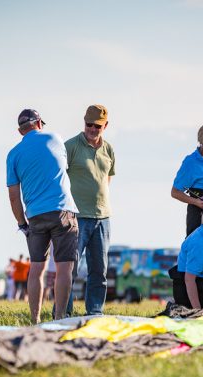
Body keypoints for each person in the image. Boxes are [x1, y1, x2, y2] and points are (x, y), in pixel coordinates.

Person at [6, 108, 79, 323]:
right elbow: (63, 167)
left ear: (21, 131)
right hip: (63, 210)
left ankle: (35, 319)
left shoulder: (13, 154)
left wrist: (22, 224)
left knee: (37, 268)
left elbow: (13, 197)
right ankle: (58, 319)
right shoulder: (55, 138)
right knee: (64, 268)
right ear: (39, 123)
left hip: (35, 215)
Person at [65, 104, 116, 315]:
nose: (92, 129)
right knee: (69, 268)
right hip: (76, 216)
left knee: (99, 270)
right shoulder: (70, 146)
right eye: (89, 124)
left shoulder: (109, 149)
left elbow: (108, 177)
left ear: (105, 125)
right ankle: (63, 311)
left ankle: (95, 311)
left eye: (98, 126)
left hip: (103, 217)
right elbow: (59, 178)